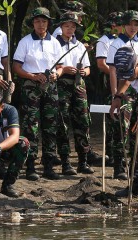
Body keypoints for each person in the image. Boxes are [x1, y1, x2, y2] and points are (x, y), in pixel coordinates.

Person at [12, 7, 63, 181]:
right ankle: (30, 166)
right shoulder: (25, 41)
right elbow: (16, 67)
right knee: (30, 126)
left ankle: (48, 165)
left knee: (51, 126)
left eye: (44, 21)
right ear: (32, 23)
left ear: (48, 23)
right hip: (31, 86)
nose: (41, 25)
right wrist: (33, 76)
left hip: (51, 87)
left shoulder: (54, 42)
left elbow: (60, 65)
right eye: (37, 21)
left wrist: (58, 73)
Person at [106, 10, 138, 180]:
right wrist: (115, 94)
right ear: (123, 25)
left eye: (136, 24)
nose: (133, 27)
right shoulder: (116, 43)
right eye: (130, 24)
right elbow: (112, 71)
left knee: (137, 128)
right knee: (122, 128)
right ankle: (119, 167)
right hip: (124, 92)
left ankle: (135, 167)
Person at [110, 47, 138, 199]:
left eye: (131, 74)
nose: (129, 78)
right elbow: (125, 79)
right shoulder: (127, 63)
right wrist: (118, 96)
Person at [55, 11, 95, 175]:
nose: (70, 29)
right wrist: (63, 69)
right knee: (62, 122)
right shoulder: (53, 43)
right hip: (61, 83)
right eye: (67, 26)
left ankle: (83, 161)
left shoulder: (79, 45)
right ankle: (65, 162)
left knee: (83, 121)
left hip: (79, 85)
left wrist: (85, 71)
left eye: (73, 26)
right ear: (61, 27)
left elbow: (88, 67)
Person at [95, 11, 125, 176]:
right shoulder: (105, 40)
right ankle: (114, 158)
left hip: (128, 84)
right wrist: (118, 75)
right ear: (114, 25)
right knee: (115, 121)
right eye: (121, 23)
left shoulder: (128, 41)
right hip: (111, 84)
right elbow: (102, 64)